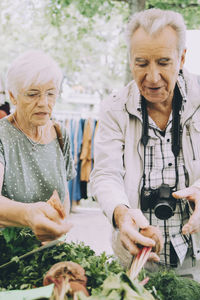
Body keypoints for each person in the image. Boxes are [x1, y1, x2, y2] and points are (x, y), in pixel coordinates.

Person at [90, 8, 200, 281]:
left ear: (182, 57)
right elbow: (105, 174)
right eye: (142, 63)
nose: (152, 77)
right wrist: (121, 214)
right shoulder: (113, 108)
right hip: (138, 264)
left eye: (163, 62)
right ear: (130, 61)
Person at [0, 49, 76, 242]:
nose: (44, 103)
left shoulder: (61, 134)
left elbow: (63, 198)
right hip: (8, 258)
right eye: (33, 94)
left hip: (49, 252)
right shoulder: (2, 136)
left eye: (51, 94)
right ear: (13, 96)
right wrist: (30, 215)